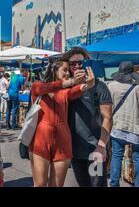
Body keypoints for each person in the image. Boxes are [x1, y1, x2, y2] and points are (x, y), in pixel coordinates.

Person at [29, 61, 96, 187]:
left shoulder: (66, 92)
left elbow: (76, 90)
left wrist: (87, 85)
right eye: (64, 70)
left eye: (67, 71)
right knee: (40, 184)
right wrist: (72, 82)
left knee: (57, 185)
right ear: (54, 69)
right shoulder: (37, 86)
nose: (67, 73)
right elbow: (47, 88)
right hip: (40, 139)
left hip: (62, 141)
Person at [61, 47, 113, 187]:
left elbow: (107, 117)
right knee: (83, 184)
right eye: (73, 64)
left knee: (97, 185)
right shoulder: (66, 89)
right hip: (74, 150)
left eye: (81, 62)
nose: (77, 66)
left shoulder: (99, 86)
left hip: (94, 149)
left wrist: (101, 145)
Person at [108, 61, 139, 187]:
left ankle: (114, 184)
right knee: (138, 157)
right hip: (135, 129)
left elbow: (107, 108)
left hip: (117, 128)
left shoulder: (111, 87)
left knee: (117, 156)